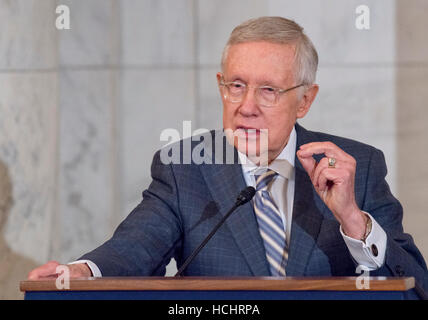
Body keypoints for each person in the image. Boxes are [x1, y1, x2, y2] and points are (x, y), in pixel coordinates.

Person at [28, 16, 428, 291]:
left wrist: (355, 223)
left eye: (268, 90)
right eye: (236, 85)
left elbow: (415, 286)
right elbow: (135, 247)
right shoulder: (185, 168)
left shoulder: (354, 166)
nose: (246, 105)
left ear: (305, 100)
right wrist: (81, 271)